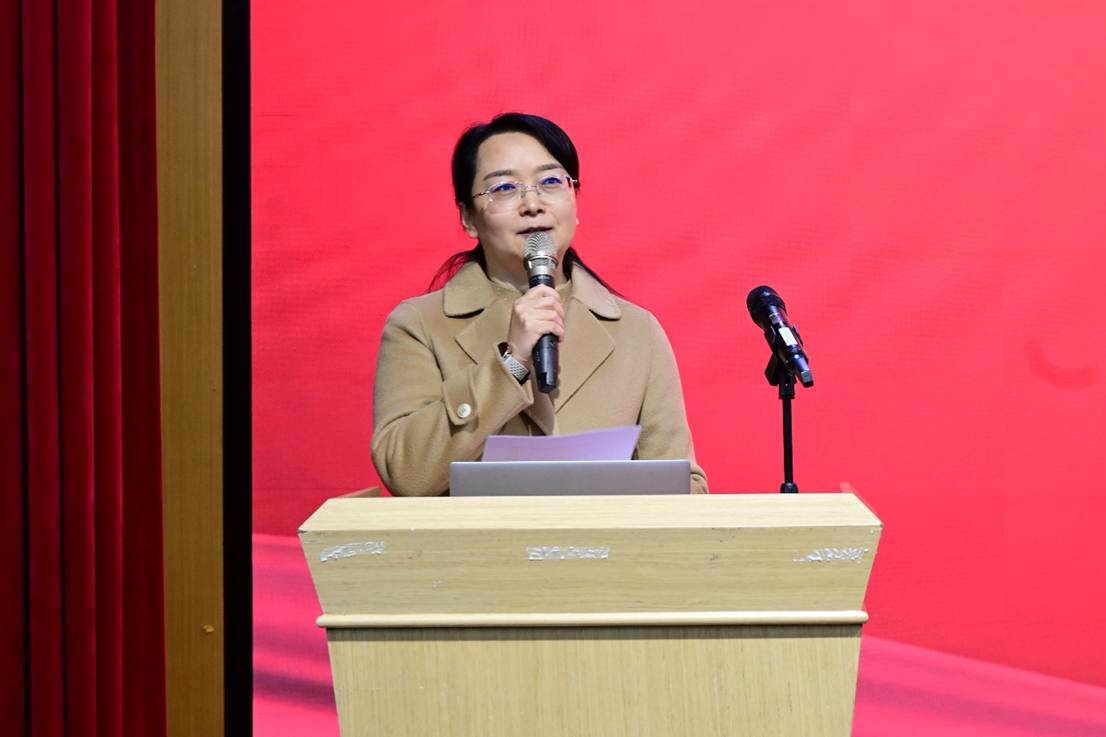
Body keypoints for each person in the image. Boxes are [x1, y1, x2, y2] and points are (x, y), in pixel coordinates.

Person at [371, 112, 707, 495]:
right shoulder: (419, 325)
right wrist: (510, 364)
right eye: (504, 188)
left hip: (602, 535)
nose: (532, 203)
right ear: (468, 218)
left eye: (550, 182)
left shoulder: (636, 331)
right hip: (478, 537)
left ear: (574, 201)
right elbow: (405, 472)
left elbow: (683, 485)